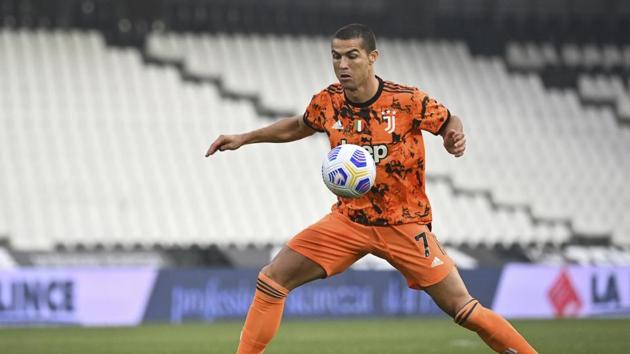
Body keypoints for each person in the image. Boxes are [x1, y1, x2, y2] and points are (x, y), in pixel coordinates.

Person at [206, 23, 537, 354]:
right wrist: (245, 138)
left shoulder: (406, 100)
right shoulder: (328, 102)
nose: (343, 65)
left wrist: (454, 135)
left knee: (463, 309)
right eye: (336, 57)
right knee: (272, 279)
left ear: (372, 57)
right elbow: (297, 126)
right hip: (350, 221)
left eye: (352, 56)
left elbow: (450, 119)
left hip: (404, 223)